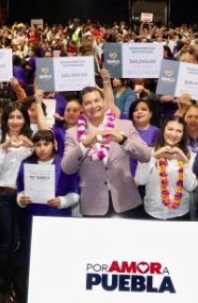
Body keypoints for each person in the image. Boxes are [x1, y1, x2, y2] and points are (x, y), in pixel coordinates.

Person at [61, 84, 151, 217]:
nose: (93, 105)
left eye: (96, 100)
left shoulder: (125, 126)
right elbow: (67, 168)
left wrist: (123, 140)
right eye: (88, 103)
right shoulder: (72, 133)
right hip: (93, 205)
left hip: (126, 202)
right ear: (82, 108)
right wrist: (84, 144)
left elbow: (146, 155)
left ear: (104, 101)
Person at [16, 129, 79, 301]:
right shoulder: (26, 164)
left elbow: (75, 194)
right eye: (38, 145)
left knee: (56, 257)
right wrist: (21, 199)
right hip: (33, 219)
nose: (42, 148)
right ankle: (34, 294)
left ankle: (57, 292)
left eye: (46, 144)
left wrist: (62, 201)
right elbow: (20, 189)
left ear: (54, 145)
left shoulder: (65, 164)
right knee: (33, 256)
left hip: (57, 219)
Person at [0, 102, 34, 303]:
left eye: (19, 117)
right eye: (11, 117)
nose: (15, 121)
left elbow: (41, 163)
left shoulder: (31, 139)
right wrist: (3, 149)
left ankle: (23, 277)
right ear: (5, 120)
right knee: (7, 240)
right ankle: (9, 283)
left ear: (25, 119)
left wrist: (31, 146)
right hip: (5, 196)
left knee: (25, 239)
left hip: (27, 197)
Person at [135, 116, 197, 220]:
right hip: (152, 213)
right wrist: (154, 157)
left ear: (183, 134)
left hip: (180, 214)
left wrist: (185, 162)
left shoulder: (189, 155)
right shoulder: (149, 152)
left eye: (179, 131)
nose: (173, 134)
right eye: (170, 129)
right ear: (163, 130)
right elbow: (140, 180)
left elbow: (191, 187)